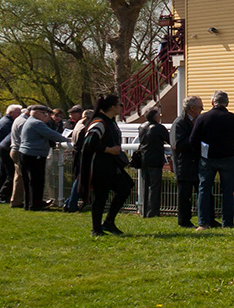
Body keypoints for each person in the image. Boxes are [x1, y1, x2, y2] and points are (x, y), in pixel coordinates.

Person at [191, 92, 234, 229]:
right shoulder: (232, 118)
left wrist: (200, 153)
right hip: (228, 158)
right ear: (227, 103)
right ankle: (228, 222)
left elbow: (193, 140)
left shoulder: (203, 118)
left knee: (204, 190)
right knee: (228, 191)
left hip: (208, 158)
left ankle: (203, 222)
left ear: (212, 102)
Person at [76, 95, 133, 236]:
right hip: (99, 166)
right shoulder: (100, 122)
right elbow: (89, 143)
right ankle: (96, 229)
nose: (121, 107)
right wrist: (109, 149)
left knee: (126, 187)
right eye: (120, 105)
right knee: (101, 196)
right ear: (112, 107)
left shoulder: (110, 122)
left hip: (111, 165)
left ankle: (108, 222)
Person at [10, 106, 64, 212]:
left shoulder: (30, 121)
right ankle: (35, 205)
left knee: (28, 181)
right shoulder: (36, 123)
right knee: (36, 181)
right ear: (37, 113)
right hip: (34, 155)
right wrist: (68, 139)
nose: (46, 116)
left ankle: (29, 204)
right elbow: (51, 134)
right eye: (44, 114)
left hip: (26, 154)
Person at [172, 95, 202, 227]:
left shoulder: (194, 121)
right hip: (183, 165)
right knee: (185, 196)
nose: (202, 109)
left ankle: (206, 218)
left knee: (202, 192)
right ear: (192, 108)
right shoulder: (179, 123)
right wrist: (196, 140)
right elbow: (178, 144)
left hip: (195, 163)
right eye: (200, 107)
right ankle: (184, 221)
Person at [136, 107, 170, 218]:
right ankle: (153, 212)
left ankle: (145, 211)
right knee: (154, 187)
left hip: (143, 158)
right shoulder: (158, 128)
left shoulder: (142, 127)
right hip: (155, 159)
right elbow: (169, 139)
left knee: (145, 186)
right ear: (155, 117)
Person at [0, 104, 20, 204]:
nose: (19, 115)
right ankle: (2, 195)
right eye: (18, 113)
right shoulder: (7, 123)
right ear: (11, 113)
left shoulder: (4, 120)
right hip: (3, 151)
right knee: (8, 173)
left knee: (2, 173)